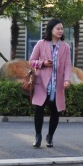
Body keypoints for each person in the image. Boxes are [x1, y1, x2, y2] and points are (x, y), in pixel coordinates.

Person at [29, 19, 72, 148]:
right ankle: (38, 136)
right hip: (42, 84)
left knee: (55, 111)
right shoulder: (41, 44)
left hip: (57, 85)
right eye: (57, 28)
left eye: (62, 29)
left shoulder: (65, 46)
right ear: (51, 29)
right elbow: (31, 61)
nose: (60, 31)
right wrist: (43, 63)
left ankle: (50, 136)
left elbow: (68, 65)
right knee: (39, 109)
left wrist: (67, 79)